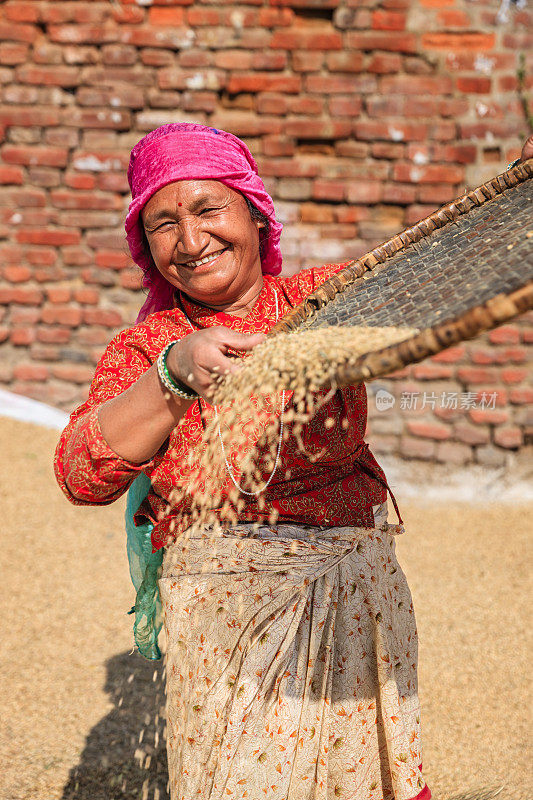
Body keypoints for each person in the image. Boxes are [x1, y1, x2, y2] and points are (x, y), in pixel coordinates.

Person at [54, 123, 532, 800]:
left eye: (208, 211)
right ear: (144, 244)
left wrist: (517, 203)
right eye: (163, 224)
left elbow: (458, 265)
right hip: (225, 613)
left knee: (359, 773)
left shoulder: (329, 302)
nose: (189, 242)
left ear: (255, 213)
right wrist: (175, 373)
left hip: (353, 584)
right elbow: (80, 472)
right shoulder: (147, 348)